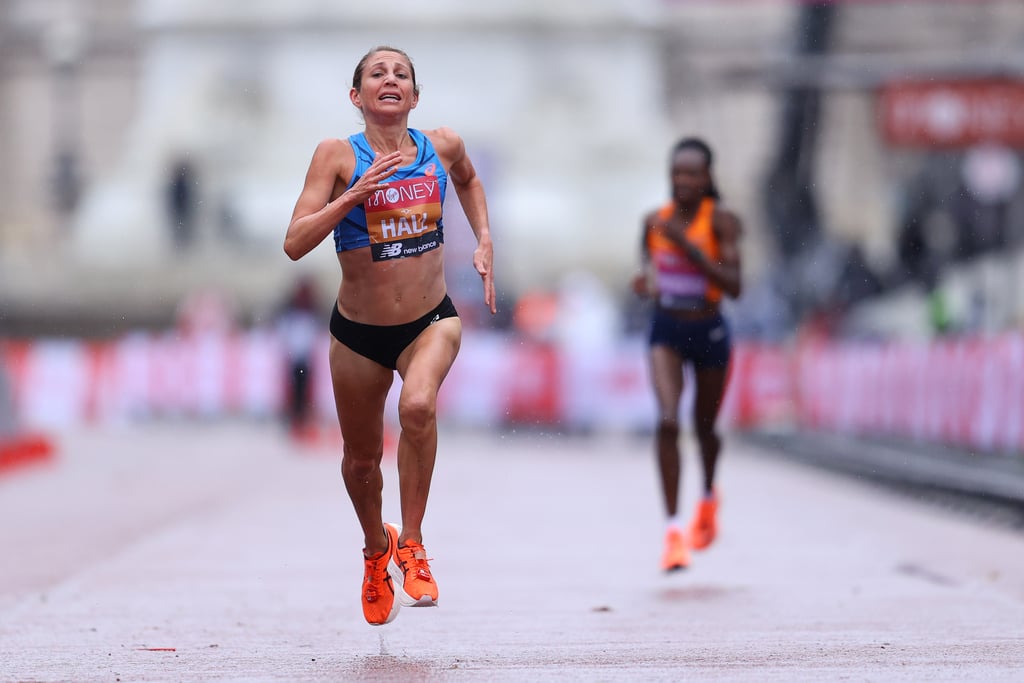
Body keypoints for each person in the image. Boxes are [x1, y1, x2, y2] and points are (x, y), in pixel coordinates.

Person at [284, 46, 496, 626]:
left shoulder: (442, 145)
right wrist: (353, 195)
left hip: (431, 320)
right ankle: (377, 550)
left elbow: (470, 181)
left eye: (400, 73)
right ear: (358, 97)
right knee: (360, 462)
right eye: (377, 73)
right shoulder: (335, 156)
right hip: (357, 334)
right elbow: (295, 242)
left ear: (414, 96)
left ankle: (415, 544)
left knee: (419, 404)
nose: (390, 79)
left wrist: (482, 239)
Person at [630, 137, 742, 572]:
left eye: (693, 173)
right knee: (668, 420)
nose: (684, 181)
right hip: (667, 328)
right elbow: (648, 272)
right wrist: (645, 285)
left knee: (705, 426)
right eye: (678, 172)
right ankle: (673, 532)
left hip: (710, 328)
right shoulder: (652, 222)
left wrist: (689, 247)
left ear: (708, 177)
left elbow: (735, 285)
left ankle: (709, 496)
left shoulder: (722, 222)